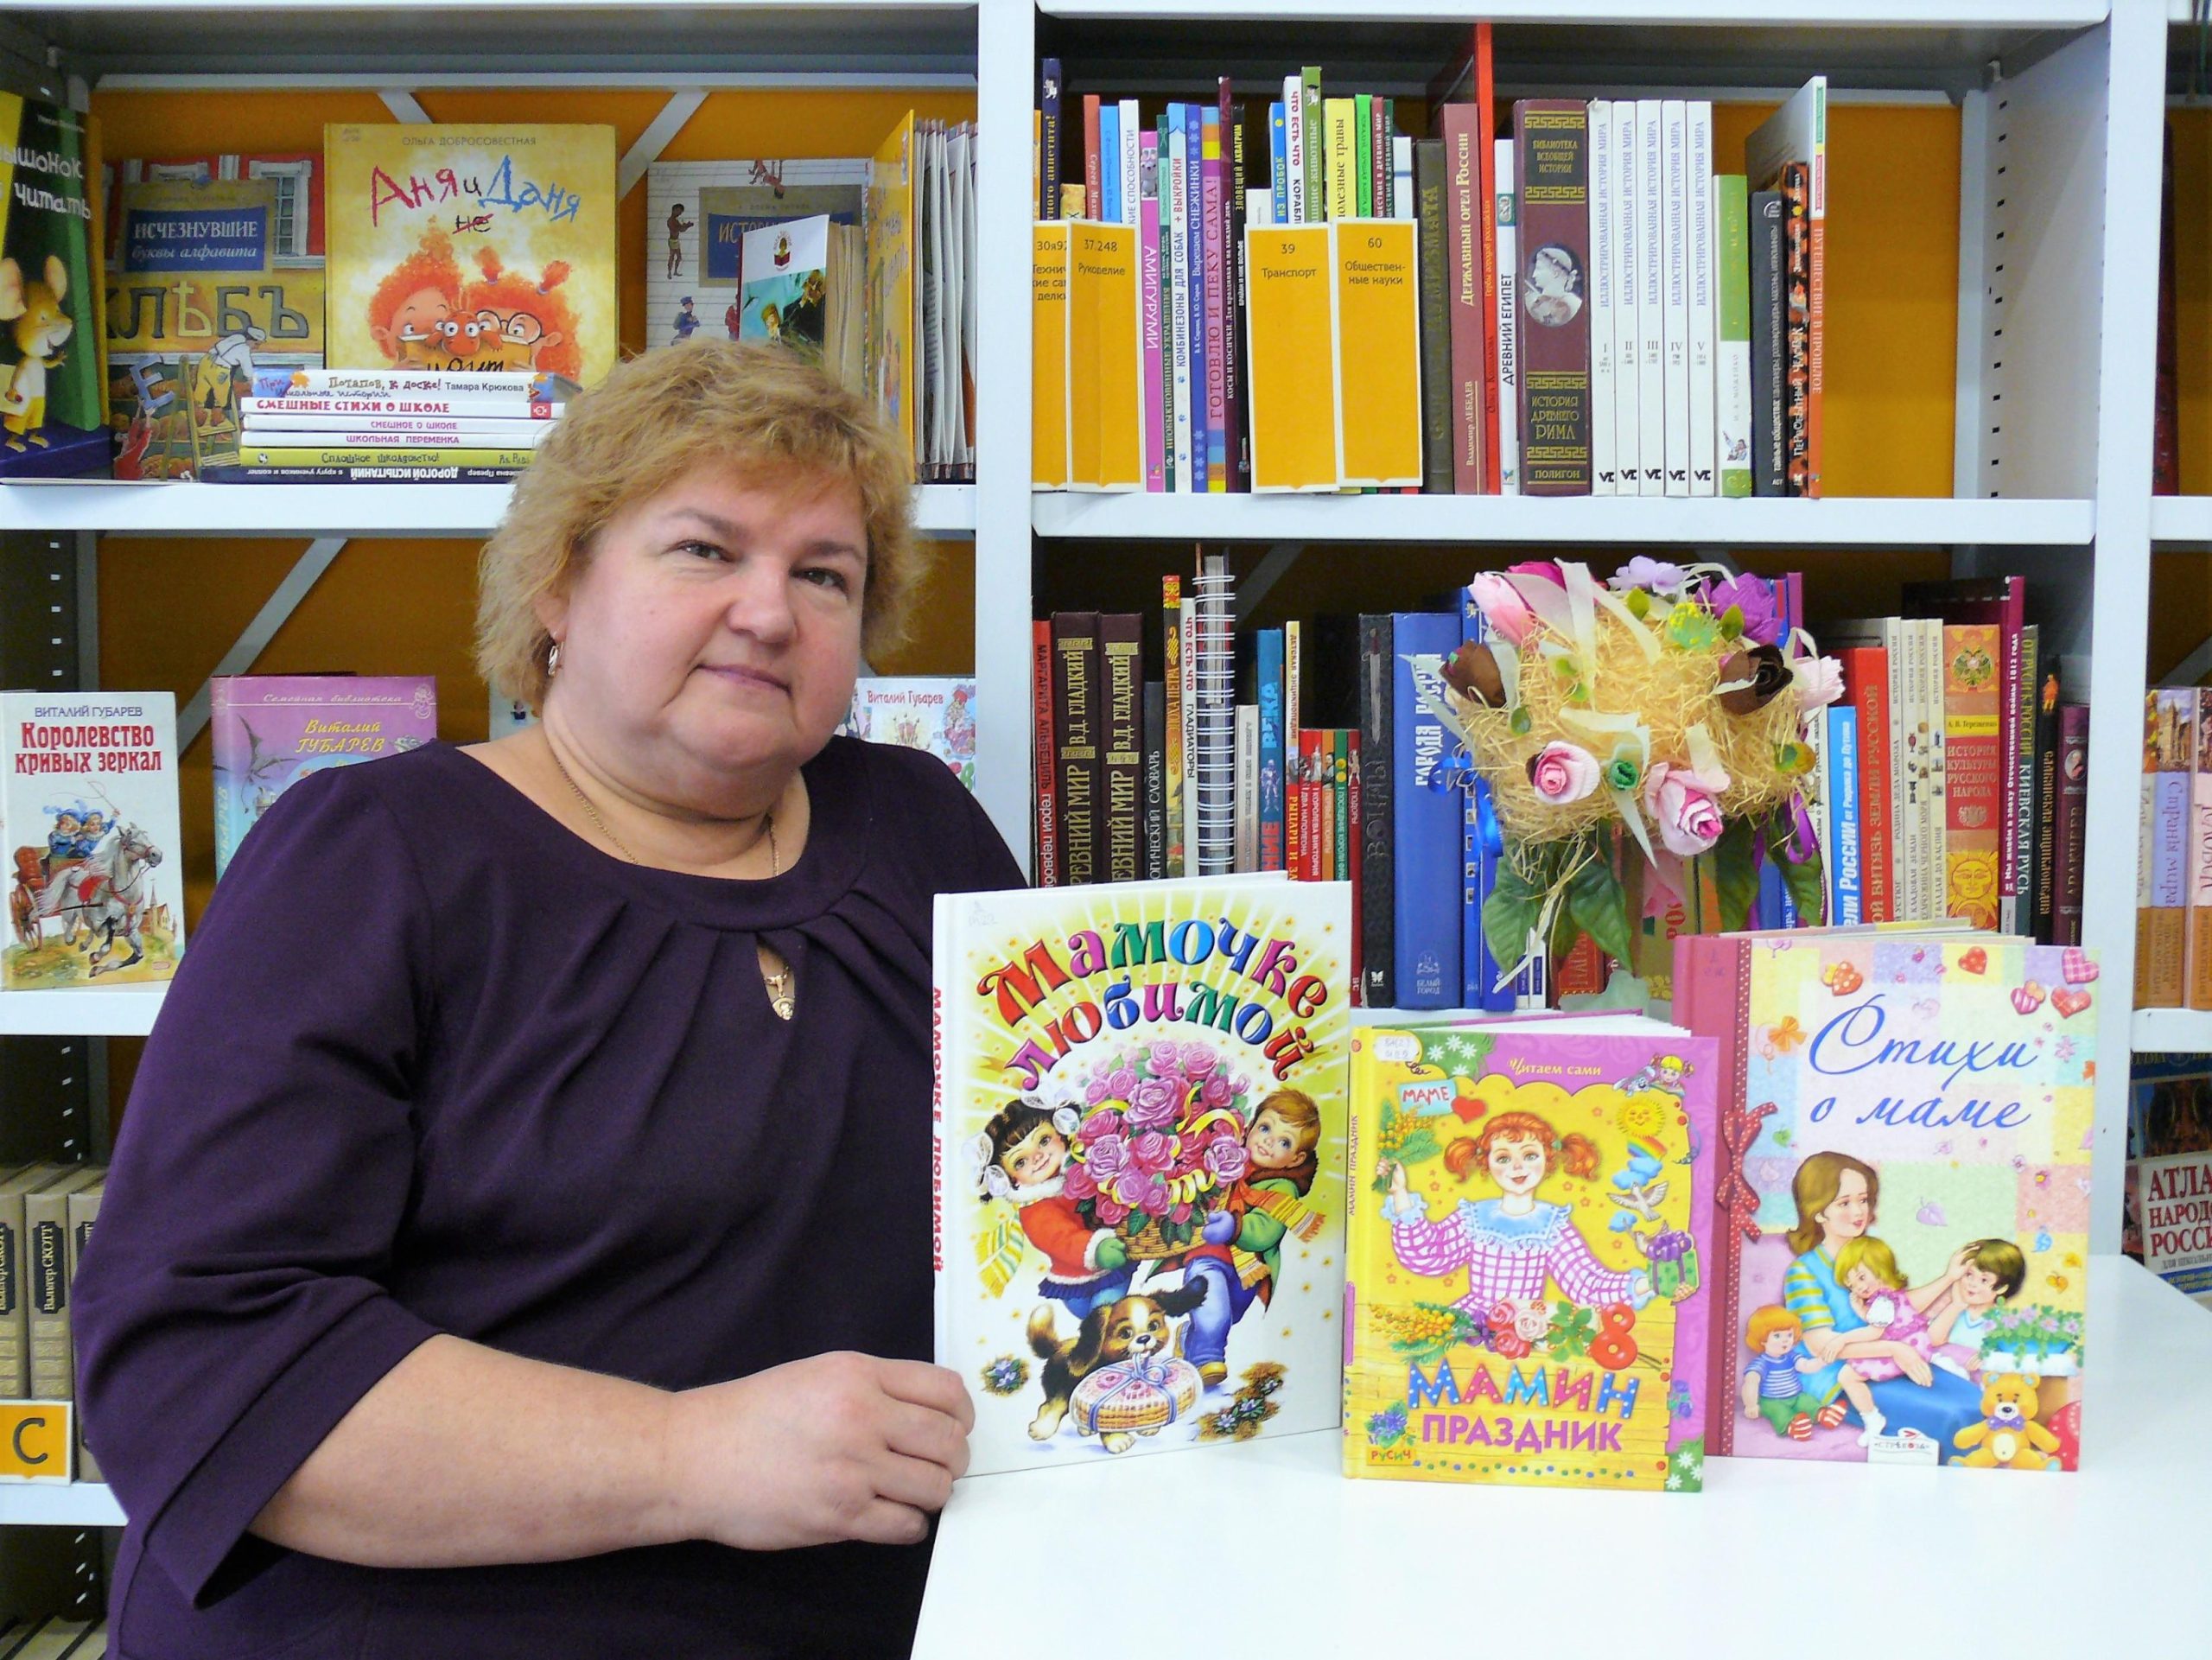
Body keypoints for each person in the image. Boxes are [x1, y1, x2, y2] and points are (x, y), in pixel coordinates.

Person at [73, 339, 1022, 1658]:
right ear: (559, 582)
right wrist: (691, 1454)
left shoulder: (921, 828)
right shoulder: (370, 856)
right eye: (705, 549)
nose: (769, 611)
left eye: (825, 574)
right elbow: (194, 1364)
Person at [1777, 1152, 1983, 1457]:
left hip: (1891, 1361)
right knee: (1951, 1417)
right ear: (1818, 1212)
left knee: (1976, 1401)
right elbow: (1824, 1347)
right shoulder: (1803, 1272)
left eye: (1863, 1200)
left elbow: (1899, 1307)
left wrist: (1949, 1278)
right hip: (1844, 1376)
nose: (1858, 1211)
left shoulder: (1868, 1253)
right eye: (1844, 1203)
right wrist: (1895, 1349)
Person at [1376, 1110, 1654, 1326]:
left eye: (1530, 1155)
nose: (1518, 1167)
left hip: (1526, 1325)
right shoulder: (1474, 1217)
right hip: (1472, 1322)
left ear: (1548, 1158)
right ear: (1487, 1163)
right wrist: (1400, 1193)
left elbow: (1586, 1284)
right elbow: (1428, 1254)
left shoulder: (1552, 1225)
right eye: (1503, 1158)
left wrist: (1649, 1282)